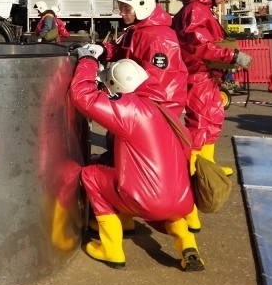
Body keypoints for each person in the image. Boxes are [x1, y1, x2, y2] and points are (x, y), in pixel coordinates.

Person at [69, 52, 204, 272]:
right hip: (182, 203)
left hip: (147, 200)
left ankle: (111, 247)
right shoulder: (163, 109)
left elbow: (84, 96)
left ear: (117, 86)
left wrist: (88, 61)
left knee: (91, 174)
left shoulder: (131, 109)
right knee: (156, 199)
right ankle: (187, 244)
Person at [172, 0, 253, 176]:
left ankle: (207, 167)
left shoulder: (200, 9)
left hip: (205, 74)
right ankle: (195, 173)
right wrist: (232, 56)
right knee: (199, 122)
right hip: (196, 74)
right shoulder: (196, 11)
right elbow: (200, 45)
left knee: (212, 118)